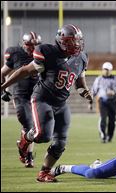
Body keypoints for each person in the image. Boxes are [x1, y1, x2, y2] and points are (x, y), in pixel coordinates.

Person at [1, 24, 93, 183]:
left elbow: (79, 83)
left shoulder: (81, 58)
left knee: (60, 142)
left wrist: (85, 92)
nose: (76, 45)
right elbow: (25, 71)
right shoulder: (48, 52)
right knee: (43, 136)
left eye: (78, 41)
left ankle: (44, 172)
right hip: (42, 98)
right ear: (62, 41)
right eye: (72, 42)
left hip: (61, 103)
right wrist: (3, 86)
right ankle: (26, 137)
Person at [1, 31, 42, 168]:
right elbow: (2, 72)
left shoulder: (42, 54)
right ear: (24, 44)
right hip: (20, 95)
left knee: (33, 127)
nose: (33, 48)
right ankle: (25, 152)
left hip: (36, 95)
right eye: (30, 45)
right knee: (29, 124)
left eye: (35, 45)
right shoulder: (15, 53)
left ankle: (27, 156)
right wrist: (3, 90)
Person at [91, 62, 116, 143]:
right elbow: (93, 91)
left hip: (113, 101)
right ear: (102, 70)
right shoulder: (98, 79)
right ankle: (103, 136)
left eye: (108, 70)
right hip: (102, 101)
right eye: (105, 69)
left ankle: (110, 136)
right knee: (103, 118)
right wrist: (90, 102)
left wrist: (115, 92)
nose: (106, 71)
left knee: (112, 120)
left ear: (111, 70)